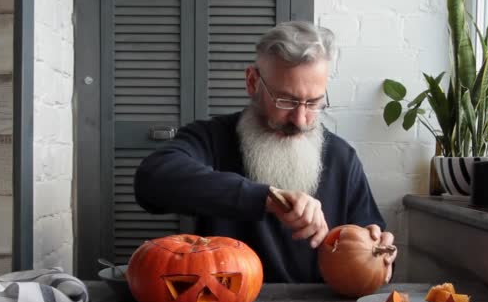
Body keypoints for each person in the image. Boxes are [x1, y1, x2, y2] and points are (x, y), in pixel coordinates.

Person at [134, 21, 398, 283]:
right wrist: (267, 198)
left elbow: (371, 252)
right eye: (286, 101)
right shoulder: (210, 138)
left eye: (314, 103)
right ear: (252, 82)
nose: (301, 120)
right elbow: (150, 182)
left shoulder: (342, 158)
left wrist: (381, 255)